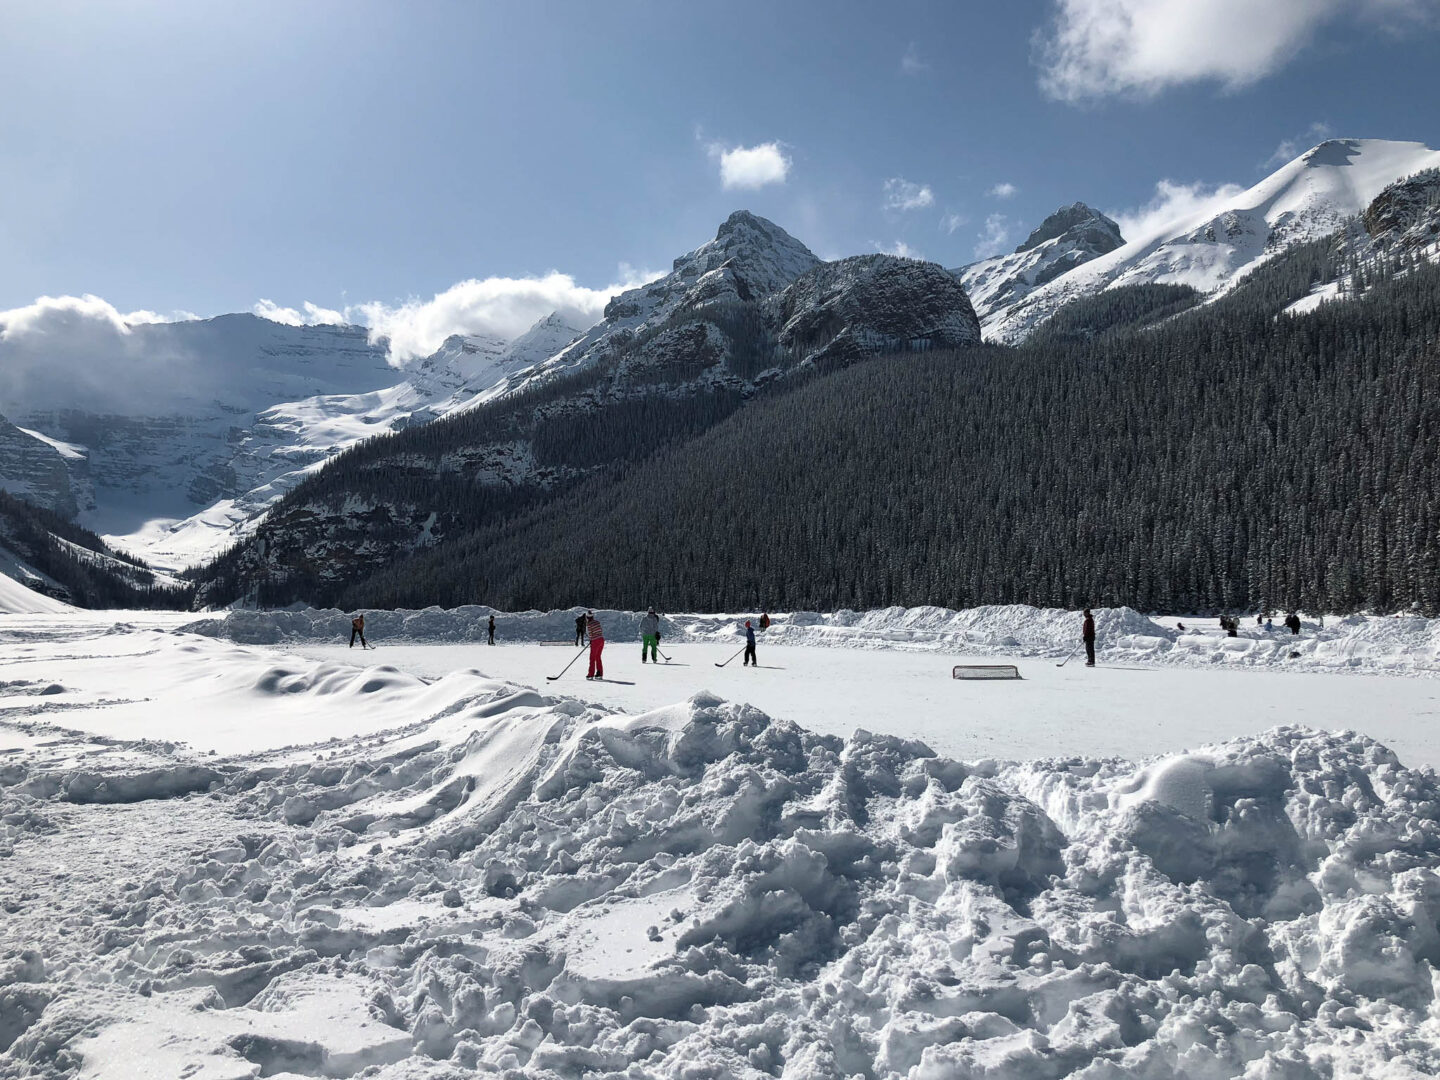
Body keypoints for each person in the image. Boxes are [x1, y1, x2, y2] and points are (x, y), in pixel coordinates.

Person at [584, 611, 605, 679]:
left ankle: (590, 675)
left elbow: (590, 634)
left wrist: (591, 640)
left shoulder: (589, 624)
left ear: (587, 617)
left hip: (595, 641)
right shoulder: (597, 622)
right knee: (598, 657)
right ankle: (599, 673)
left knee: (592, 658)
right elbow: (600, 631)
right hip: (601, 640)